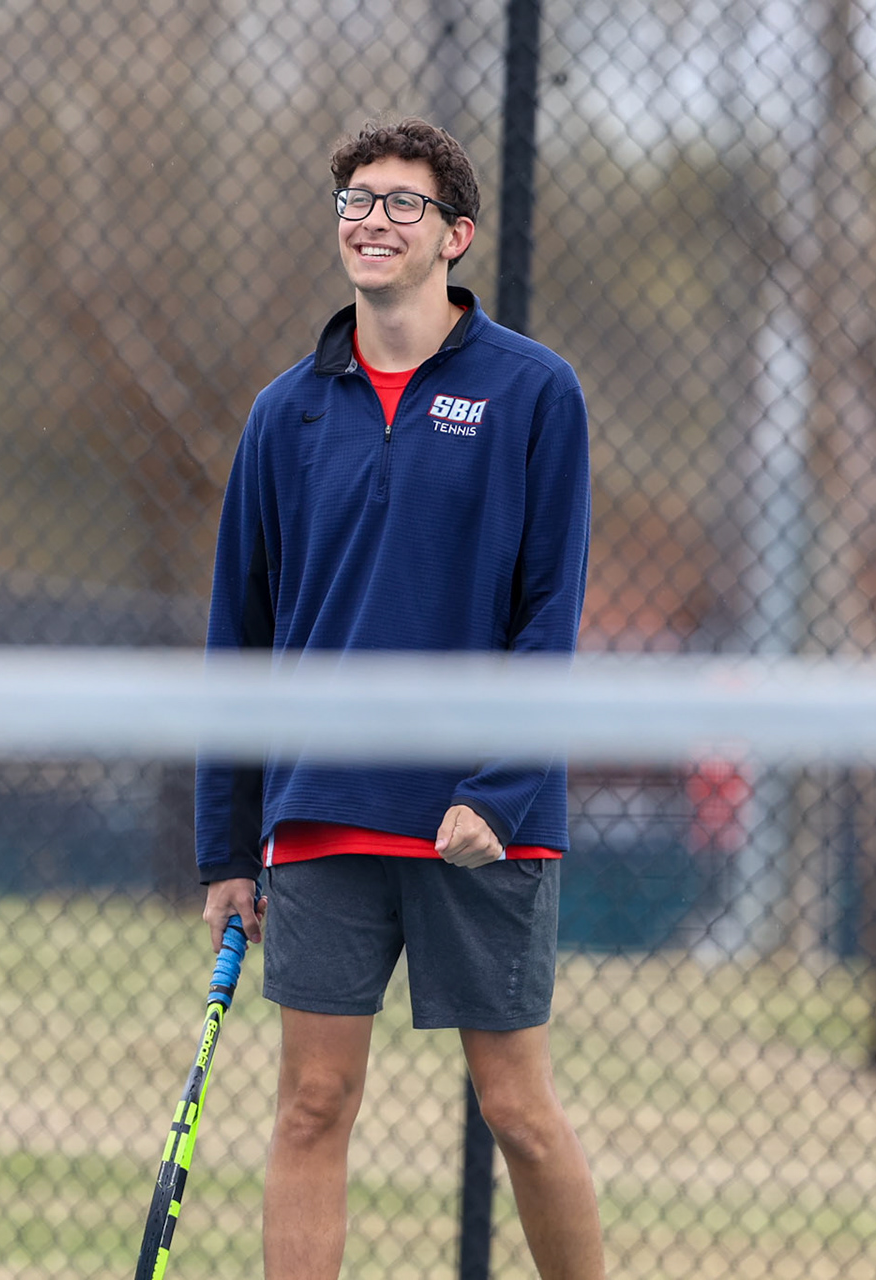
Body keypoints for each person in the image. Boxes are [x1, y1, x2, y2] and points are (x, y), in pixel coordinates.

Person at [196, 118, 602, 1279]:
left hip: (483, 823)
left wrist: (503, 789)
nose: (371, 219)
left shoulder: (536, 394)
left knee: (518, 1108)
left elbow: (549, 612)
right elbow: (240, 640)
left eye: (401, 203)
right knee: (313, 1105)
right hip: (321, 810)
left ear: (454, 236)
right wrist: (228, 846)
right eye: (354, 201)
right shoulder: (286, 415)